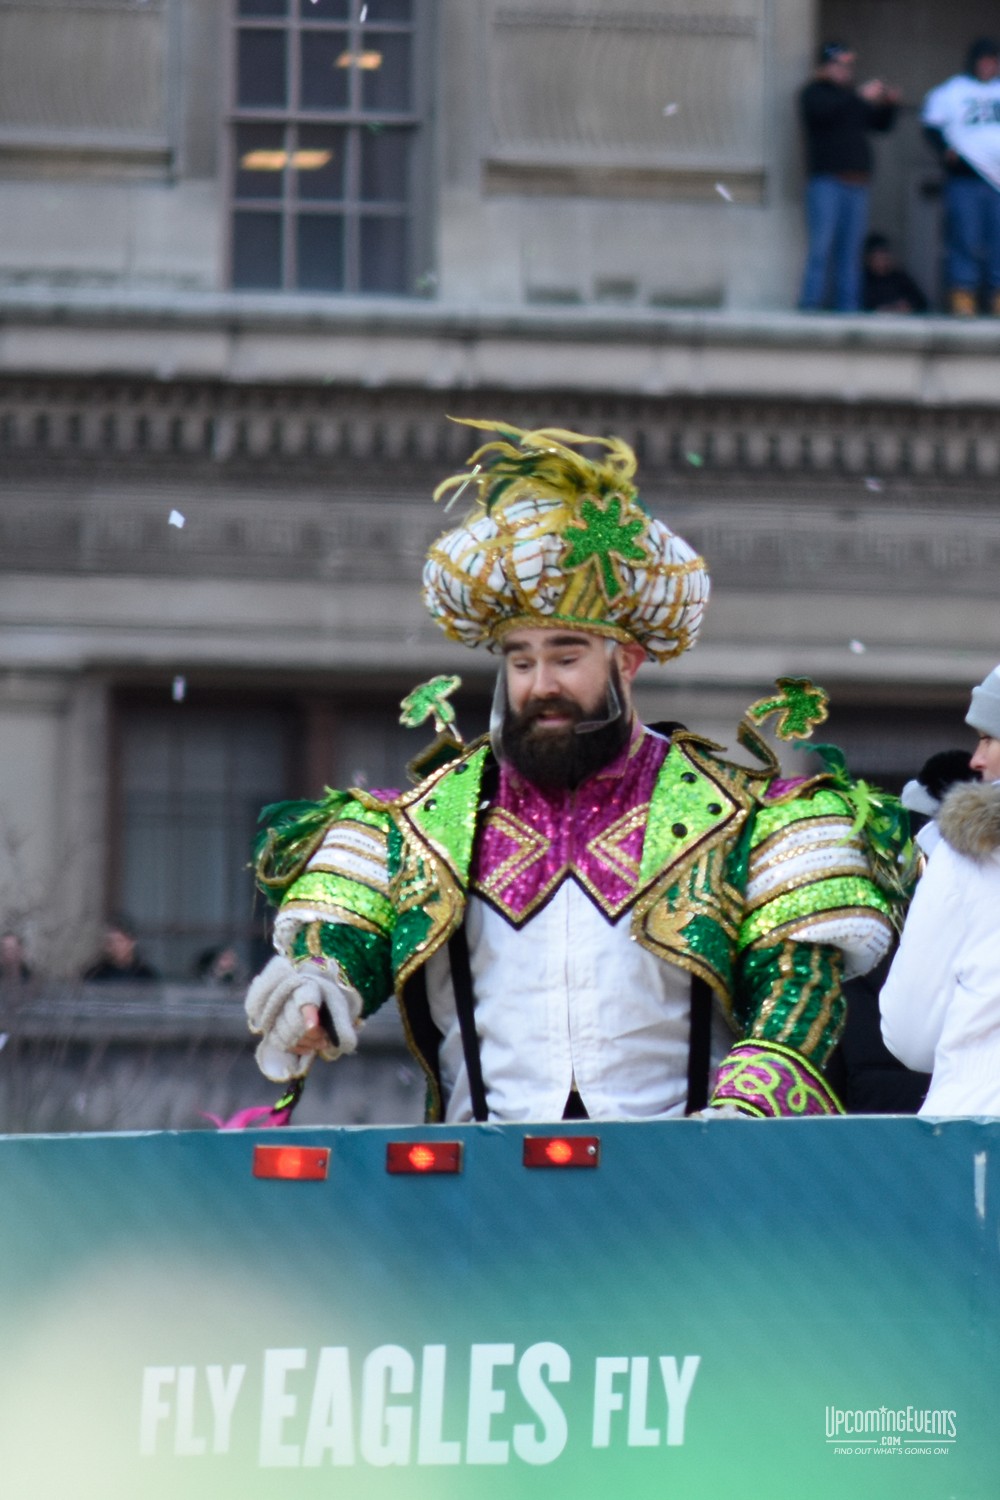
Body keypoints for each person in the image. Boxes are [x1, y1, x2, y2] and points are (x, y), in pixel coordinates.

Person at [245, 421, 897, 1123]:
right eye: (521, 662)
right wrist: (313, 988)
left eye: (565, 657)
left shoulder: (745, 820)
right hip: (482, 1185)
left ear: (626, 662)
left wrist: (741, 1116)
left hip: (684, 1184)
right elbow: (340, 941)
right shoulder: (420, 822)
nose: (540, 684)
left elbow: (797, 987)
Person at [880, 664, 1000, 1115]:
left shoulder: (969, 849)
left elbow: (911, 1035)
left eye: (989, 737)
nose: (976, 759)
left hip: (976, 1130)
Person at [798, 41, 899, 312]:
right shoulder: (814, 93)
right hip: (827, 183)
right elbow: (825, 113)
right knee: (821, 249)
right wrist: (859, 97)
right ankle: (810, 306)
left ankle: (848, 309)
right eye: (839, 64)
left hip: (857, 184)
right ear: (825, 67)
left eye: (848, 65)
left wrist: (889, 104)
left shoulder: (852, 98)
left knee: (850, 253)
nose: (845, 70)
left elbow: (880, 124)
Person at [922, 38, 1000, 316]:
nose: (989, 65)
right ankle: (962, 293)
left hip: (997, 180)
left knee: (997, 240)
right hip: (965, 178)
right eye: (984, 60)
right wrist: (946, 152)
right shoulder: (952, 91)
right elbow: (931, 126)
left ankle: (996, 295)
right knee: (964, 237)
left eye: (993, 60)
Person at [862, 233, 928, 314]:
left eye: (883, 257)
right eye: (876, 258)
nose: (880, 262)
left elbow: (922, 302)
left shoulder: (899, 278)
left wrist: (906, 306)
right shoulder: (863, 280)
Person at [81, 916, 159, 982]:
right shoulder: (95, 975)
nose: (114, 946)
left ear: (132, 942)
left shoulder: (145, 976)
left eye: (119, 941)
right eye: (110, 941)